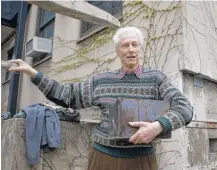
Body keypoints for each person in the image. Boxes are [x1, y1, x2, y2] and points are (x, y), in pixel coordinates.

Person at [8, 26, 193, 170]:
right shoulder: (101, 81)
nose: (130, 49)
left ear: (140, 49)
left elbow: (185, 108)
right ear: (117, 51)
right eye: (125, 45)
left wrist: (158, 126)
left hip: (142, 159)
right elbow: (66, 95)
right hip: (103, 157)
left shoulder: (156, 79)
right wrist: (33, 73)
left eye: (134, 45)